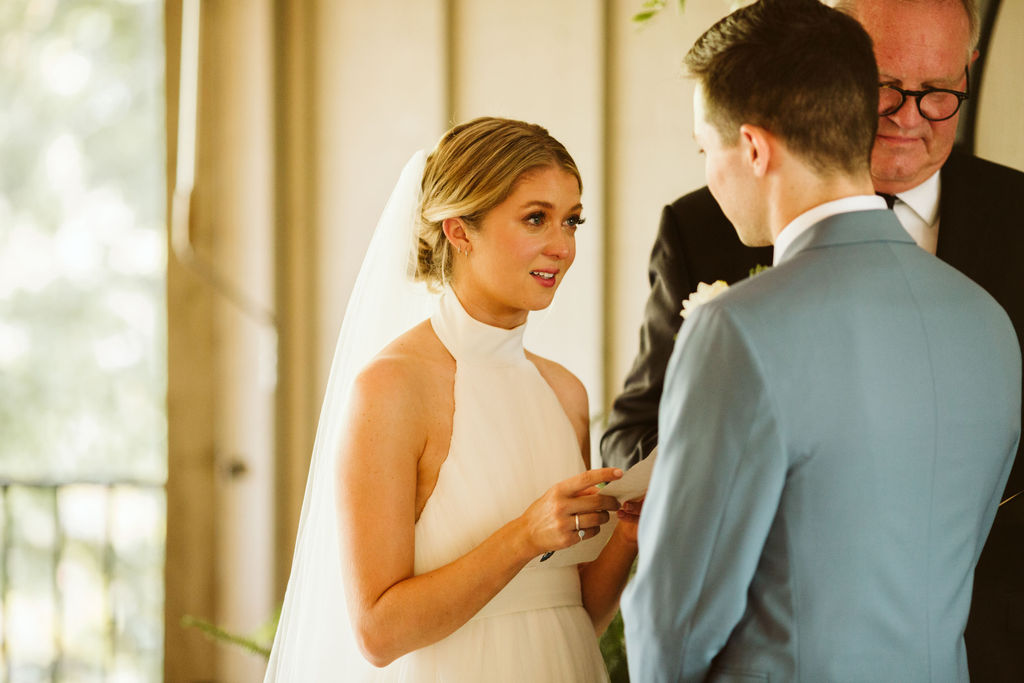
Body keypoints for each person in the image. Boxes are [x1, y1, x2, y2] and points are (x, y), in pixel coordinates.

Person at [603, 0, 1024, 676]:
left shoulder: (735, 324)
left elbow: (673, 631)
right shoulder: (986, 321)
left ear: (754, 147)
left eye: (705, 150)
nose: (708, 176)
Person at [264, 116, 643, 682]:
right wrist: (524, 536)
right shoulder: (391, 388)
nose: (561, 247)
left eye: (572, 221)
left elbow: (572, 614)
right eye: (535, 218)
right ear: (459, 229)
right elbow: (378, 632)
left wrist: (630, 534)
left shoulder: (564, 392)